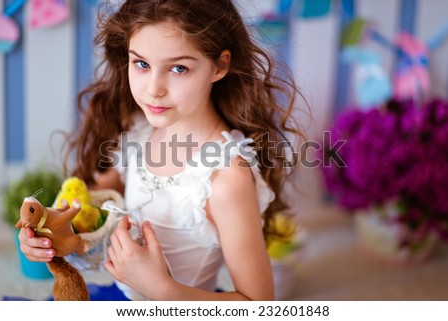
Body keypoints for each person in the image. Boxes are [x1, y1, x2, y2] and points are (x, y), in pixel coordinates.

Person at [18, 0, 305, 301]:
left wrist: (164, 289)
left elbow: (259, 304)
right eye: (141, 63)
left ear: (219, 65)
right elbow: (96, 199)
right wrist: (49, 231)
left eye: (178, 68)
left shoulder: (225, 177)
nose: (154, 88)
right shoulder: (141, 129)